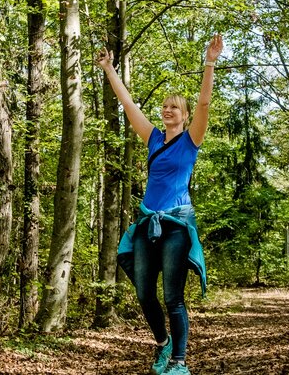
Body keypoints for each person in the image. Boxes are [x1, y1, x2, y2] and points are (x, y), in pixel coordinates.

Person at [98, 34, 223, 375]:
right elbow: (127, 104)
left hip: (176, 226)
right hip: (147, 222)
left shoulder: (191, 140)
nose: (167, 110)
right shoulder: (153, 137)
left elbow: (204, 105)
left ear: (183, 116)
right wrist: (109, 69)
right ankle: (163, 344)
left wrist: (209, 62)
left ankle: (180, 362)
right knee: (142, 293)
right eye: (165, 106)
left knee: (172, 297)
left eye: (174, 107)